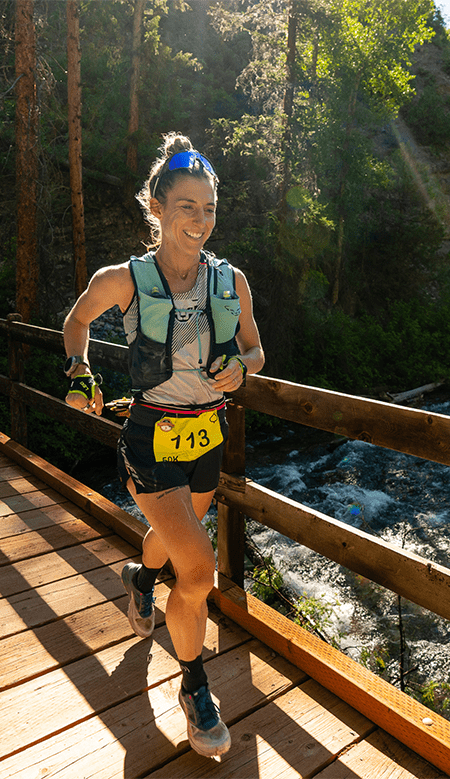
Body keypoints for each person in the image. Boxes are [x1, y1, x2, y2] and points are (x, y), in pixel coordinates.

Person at [63, 132, 265, 758]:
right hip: (151, 436)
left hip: (208, 437)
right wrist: (79, 373)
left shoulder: (232, 282)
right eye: (186, 206)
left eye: (208, 208)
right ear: (155, 207)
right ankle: (196, 687)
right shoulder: (122, 279)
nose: (200, 221)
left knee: (175, 542)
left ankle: (139, 576)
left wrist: (244, 368)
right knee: (199, 565)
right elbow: (76, 323)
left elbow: (257, 348)